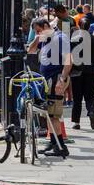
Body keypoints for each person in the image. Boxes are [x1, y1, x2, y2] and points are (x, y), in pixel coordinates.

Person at [32, 15, 72, 157]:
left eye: (38, 31)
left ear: (45, 26)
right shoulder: (45, 38)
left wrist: (61, 80)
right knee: (49, 113)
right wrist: (38, 38)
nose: (38, 34)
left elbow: (68, 61)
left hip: (57, 80)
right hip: (48, 81)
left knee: (54, 115)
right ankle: (54, 142)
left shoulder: (60, 38)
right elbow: (30, 50)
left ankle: (61, 147)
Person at [69, 13, 94, 131]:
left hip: (77, 71)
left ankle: (76, 122)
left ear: (80, 26)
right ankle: (90, 111)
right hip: (91, 71)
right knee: (90, 95)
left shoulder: (74, 39)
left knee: (77, 98)